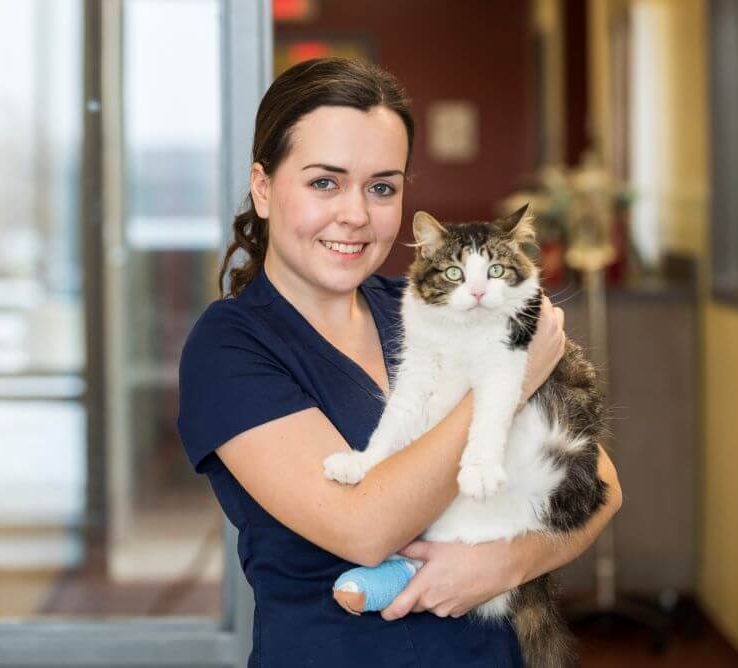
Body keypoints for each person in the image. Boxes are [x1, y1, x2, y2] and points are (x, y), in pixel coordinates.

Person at [176, 57, 623, 667]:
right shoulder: (230, 347)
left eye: (382, 187)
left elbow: (600, 487)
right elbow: (364, 527)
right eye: (324, 182)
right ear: (263, 187)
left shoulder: (423, 308)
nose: (356, 214)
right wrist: (513, 381)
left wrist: (503, 563)